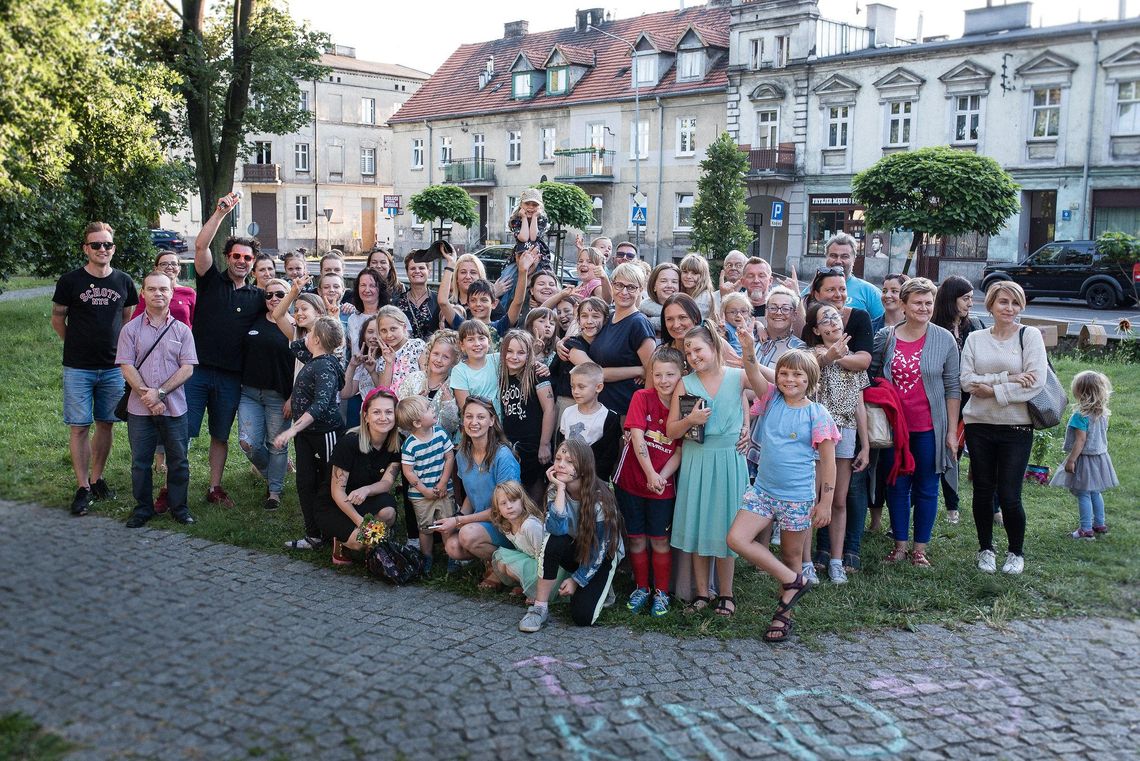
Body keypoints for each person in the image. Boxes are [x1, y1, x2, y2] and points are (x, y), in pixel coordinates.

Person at [728, 346, 839, 643]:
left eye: (797, 375)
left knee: (791, 555)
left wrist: (825, 502)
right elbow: (752, 370)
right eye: (784, 374)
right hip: (763, 491)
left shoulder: (817, 414)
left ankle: (782, 616)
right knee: (736, 539)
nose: (789, 380)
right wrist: (749, 349)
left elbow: (828, 464)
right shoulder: (771, 399)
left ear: (810, 379)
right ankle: (794, 581)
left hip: (797, 498)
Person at [871, 278, 961, 568]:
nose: (924, 308)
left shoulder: (944, 339)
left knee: (926, 487)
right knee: (896, 486)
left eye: (929, 303)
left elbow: (952, 388)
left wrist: (950, 431)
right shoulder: (886, 336)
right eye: (918, 302)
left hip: (929, 428)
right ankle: (898, 546)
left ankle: (919, 548)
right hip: (894, 429)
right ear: (904, 305)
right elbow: (872, 378)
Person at [52, 221, 139, 515]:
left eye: (107, 245)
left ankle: (97, 478)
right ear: (85, 249)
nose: (102, 249)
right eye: (96, 245)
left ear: (113, 248)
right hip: (78, 367)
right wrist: (74, 344)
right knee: (79, 426)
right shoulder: (69, 281)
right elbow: (57, 319)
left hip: (113, 367)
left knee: (106, 423)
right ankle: (82, 487)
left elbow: (127, 319)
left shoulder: (124, 281)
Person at [961, 281, 1047, 575]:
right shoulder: (975, 338)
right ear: (991, 305)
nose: (1009, 308)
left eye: (1015, 303)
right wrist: (1009, 378)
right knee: (983, 490)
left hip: (1016, 426)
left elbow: (1035, 381)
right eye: (1003, 302)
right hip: (979, 423)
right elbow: (967, 381)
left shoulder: (1029, 335)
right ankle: (986, 548)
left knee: (1010, 494)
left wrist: (993, 388)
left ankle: (1015, 552)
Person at [187, 194, 267, 508]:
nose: (241, 261)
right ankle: (171, 488)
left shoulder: (257, 296)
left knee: (220, 434)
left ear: (253, 263)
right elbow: (200, 246)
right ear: (228, 256)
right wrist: (220, 213)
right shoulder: (209, 281)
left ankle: (214, 488)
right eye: (236, 256)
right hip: (197, 371)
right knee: (184, 431)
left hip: (232, 377)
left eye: (248, 259)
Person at [667, 325, 751, 617]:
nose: (692, 356)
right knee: (698, 524)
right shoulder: (685, 383)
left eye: (698, 349)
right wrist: (690, 419)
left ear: (715, 347)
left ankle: (726, 593)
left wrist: (747, 424)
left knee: (728, 526)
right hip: (697, 459)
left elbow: (768, 390)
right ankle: (702, 592)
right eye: (687, 352)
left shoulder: (737, 377)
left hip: (729, 458)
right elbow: (670, 429)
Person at [116, 271, 197, 527]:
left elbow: (188, 368)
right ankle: (142, 509)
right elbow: (126, 366)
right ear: (143, 293)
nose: (158, 293)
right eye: (152, 289)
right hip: (139, 409)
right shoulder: (130, 330)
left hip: (174, 407)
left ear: (171, 292)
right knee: (140, 462)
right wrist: (148, 396)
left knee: (178, 460)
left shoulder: (182, 330)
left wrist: (160, 393)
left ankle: (179, 507)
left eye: (163, 289)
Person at [518, 439, 625, 632]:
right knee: (554, 540)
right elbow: (556, 530)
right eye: (558, 458)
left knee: (582, 616)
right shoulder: (554, 488)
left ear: (583, 467)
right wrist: (559, 488)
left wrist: (577, 580)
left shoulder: (600, 498)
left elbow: (600, 550)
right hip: (574, 547)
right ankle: (539, 608)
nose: (560, 464)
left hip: (600, 556)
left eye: (569, 461)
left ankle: (598, 587)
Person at [614, 346, 684, 617]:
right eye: (658, 375)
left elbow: (679, 450)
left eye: (670, 374)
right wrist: (650, 474)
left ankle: (662, 592)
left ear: (682, 375)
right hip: (632, 481)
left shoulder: (686, 407)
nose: (664, 380)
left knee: (659, 539)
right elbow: (638, 437)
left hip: (662, 486)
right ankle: (642, 586)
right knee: (636, 538)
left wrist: (661, 477)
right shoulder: (642, 397)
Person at [803, 303, 870, 583]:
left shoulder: (854, 360)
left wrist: (865, 445)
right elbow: (814, 367)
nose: (832, 322)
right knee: (812, 497)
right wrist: (831, 356)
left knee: (839, 499)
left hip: (846, 430)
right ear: (816, 329)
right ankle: (805, 562)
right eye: (824, 319)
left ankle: (836, 559)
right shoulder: (810, 354)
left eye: (835, 317)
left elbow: (860, 405)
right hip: (816, 431)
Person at [275, 316, 346, 551]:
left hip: (324, 433)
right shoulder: (314, 357)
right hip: (306, 434)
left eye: (310, 333)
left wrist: (292, 430)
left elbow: (321, 404)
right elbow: (294, 345)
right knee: (305, 482)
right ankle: (313, 534)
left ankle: (335, 535)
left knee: (329, 484)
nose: (304, 336)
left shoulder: (325, 365)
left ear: (315, 339)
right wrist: (314, 333)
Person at [437, 396, 521, 584]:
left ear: (492, 421)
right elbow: (471, 495)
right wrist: (456, 519)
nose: (474, 422)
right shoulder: (463, 454)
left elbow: (506, 510)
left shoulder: (503, 456)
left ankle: (503, 568)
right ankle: (494, 563)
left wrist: (459, 521)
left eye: (481, 417)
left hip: (506, 524)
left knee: (467, 534)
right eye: (469, 416)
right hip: (482, 521)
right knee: (452, 545)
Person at [324, 387, 402, 566]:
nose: (384, 417)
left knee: (389, 513)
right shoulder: (349, 442)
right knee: (360, 541)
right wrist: (361, 523)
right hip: (338, 503)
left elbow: (387, 483)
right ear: (366, 416)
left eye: (389, 412)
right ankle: (341, 540)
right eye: (377, 412)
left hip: (366, 497)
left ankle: (371, 545)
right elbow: (337, 492)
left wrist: (367, 490)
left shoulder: (397, 444)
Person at [932, 275, 986, 525]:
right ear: (951, 299)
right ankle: (952, 506)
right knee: (949, 452)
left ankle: (992, 506)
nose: (970, 303)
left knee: (980, 455)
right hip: (945, 400)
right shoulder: (935, 328)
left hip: (975, 400)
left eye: (971, 298)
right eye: (965, 298)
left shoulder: (973, 326)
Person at [238, 278, 294, 511]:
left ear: (290, 296)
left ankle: (274, 492)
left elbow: (302, 365)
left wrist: (292, 398)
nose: (273, 299)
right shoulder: (254, 320)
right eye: (269, 295)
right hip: (249, 392)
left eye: (280, 294)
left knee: (277, 445)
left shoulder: (295, 325)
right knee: (247, 443)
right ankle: (274, 472)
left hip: (278, 396)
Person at [1052, 371, 1118, 539]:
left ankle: (1086, 529)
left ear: (1081, 393)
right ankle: (1099, 524)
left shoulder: (1079, 416)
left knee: (1083, 493)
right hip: (1100, 458)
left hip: (1085, 459)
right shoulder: (1102, 414)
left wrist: (1071, 460)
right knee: (1095, 492)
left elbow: (1080, 441)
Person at [585, 263, 656, 415]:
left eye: (631, 287)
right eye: (619, 285)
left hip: (626, 411)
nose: (624, 292)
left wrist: (643, 413)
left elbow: (651, 371)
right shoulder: (607, 318)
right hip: (600, 409)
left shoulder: (639, 324)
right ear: (611, 285)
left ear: (640, 290)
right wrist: (561, 343)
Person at [398, 395, 456, 572]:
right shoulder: (410, 445)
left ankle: (452, 555)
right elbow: (408, 472)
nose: (434, 411)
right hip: (421, 496)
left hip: (444, 490)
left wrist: (444, 482)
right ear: (417, 423)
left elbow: (449, 457)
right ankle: (426, 557)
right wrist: (424, 490)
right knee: (425, 528)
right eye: (429, 410)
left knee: (447, 525)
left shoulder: (440, 433)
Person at [499, 330, 555, 501]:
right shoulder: (502, 374)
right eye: (509, 351)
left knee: (535, 485)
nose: (514, 357)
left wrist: (545, 444)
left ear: (529, 354)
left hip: (534, 442)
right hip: (510, 442)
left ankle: (537, 521)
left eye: (521, 352)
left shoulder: (535, 373)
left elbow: (550, 409)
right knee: (516, 489)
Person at [559, 363, 621, 482]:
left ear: (598, 387)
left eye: (581, 387)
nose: (575, 391)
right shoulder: (567, 412)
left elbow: (609, 455)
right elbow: (561, 443)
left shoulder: (609, 418)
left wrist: (592, 479)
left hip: (593, 481)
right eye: (573, 386)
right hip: (567, 477)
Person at [488, 481, 548, 602]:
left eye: (513, 500)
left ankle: (538, 593)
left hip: (546, 565)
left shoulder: (530, 525)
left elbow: (545, 556)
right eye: (503, 503)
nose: (509, 506)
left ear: (522, 501)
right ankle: (526, 587)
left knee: (512, 566)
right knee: (502, 563)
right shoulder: (507, 526)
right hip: (532, 558)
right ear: (498, 510)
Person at [398, 330, 461, 441]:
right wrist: (415, 405)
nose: (438, 360)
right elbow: (400, 420)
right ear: (429, 353)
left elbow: (451, 428)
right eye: (435, 354)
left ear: (454, 361)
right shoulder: (412, 379)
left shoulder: (454, 386)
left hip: (441, 449)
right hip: (410, 446)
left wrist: (448, 404)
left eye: (446, 357)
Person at [821, 233, 886, 331]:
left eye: (844, 256)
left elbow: (884, 328)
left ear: (854, 259)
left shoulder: (870, 292)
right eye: (833, 256)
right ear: (826, 257)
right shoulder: (812, 290)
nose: (838, 261)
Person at [501, 188, 551, 307]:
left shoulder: (542, 219)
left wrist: (534, 218)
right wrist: (523, 218)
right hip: (520, 255)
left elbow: (533, 237)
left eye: (534, 204)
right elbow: (523, 237)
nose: (530, 207)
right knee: (507, 279)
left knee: (546, 280)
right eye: (527, 203)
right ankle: (503, 309)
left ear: (539, 207)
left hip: (539, 257)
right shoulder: (515, 220)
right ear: (521, 204)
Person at [450, 320, 501, 415]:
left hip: (500, 424)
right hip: (476, 423)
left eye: (481, 338)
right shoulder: (459, 371)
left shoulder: (497, 360)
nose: (477, 343)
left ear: (489, 342)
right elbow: (466, 408)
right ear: (462, 345)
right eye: (470, 339)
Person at [134, 251, 196, 326]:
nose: (169, 267)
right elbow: (136, 322)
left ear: (179, 268)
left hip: (182, 337)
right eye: (164, 264)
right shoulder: (149, 292)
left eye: (174, 264)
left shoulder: (189, 293)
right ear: (156, 268)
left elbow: (196, 322)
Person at [394, 252, 439, 341]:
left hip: (432, 352)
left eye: (421, 268)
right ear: (407, 272)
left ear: (429, 271)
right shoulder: (397, 303)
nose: (417, 271)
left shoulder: (439, 300)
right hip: (404, 353)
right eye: (412, 268)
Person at [346, 267, 388, 359]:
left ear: (380, 288)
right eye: (363, 285)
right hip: (357, 371)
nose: (367, 290)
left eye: (372, 286)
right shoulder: (352, 319)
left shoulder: (390, 317)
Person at [679, 253, 719, 318]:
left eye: (694, 273)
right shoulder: (681, 292)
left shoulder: (704, 298)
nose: (688, 276)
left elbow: (690, 321)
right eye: (685, 272)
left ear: (703, 276)